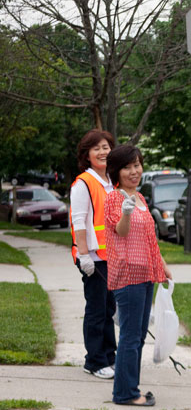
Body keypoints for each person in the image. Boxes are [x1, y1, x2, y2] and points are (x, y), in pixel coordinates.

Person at [105, 144, 172, 407]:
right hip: (128, 275)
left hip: (145, 274)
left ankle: (130, 387)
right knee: (131, 337)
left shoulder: (141, 198)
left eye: (137, 165)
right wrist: (125, 213)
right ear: (116, 172)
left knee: (139, 334)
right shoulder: (114, 198)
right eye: (127, 167)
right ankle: (125, 394)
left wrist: (162, 266)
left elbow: (149, 239)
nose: (134, 171)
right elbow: (121, 232)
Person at [70, 129, 117, 380]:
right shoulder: (83, 183)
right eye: (96, 148)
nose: (102, 152)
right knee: (97, 310)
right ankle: (94, 361)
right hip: (93, 259)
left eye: (106, 147)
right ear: (87, 155)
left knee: (109, 308)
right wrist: (84, 255)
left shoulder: (111, 182)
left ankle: (109, 356)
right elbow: (79, 222)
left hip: (111, 257)